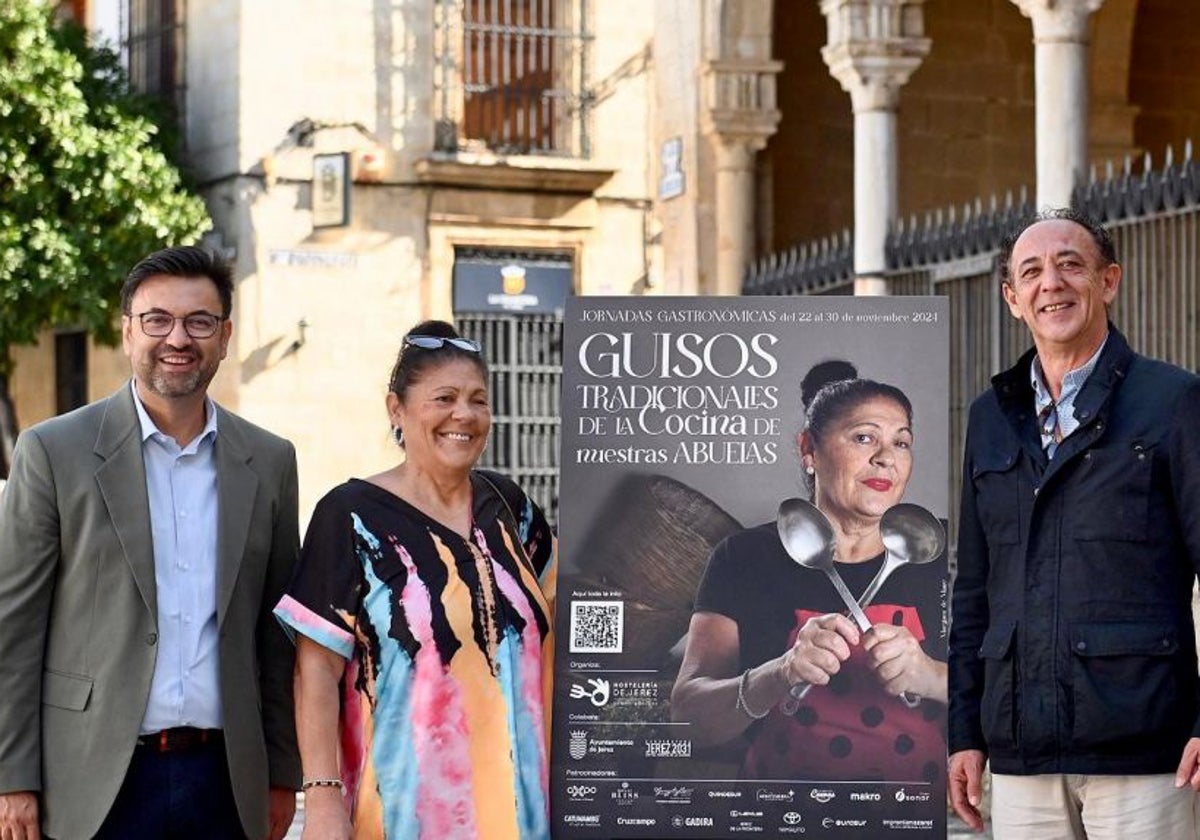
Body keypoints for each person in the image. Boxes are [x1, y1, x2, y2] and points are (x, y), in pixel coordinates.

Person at [0, 246, 301, 840]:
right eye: (157, 319)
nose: (177, 338)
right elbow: (13, 628)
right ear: (128, 329)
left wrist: (282, 772)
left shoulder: (269, 461)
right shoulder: (53, 452)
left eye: (199, 322)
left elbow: (277, 636)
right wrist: (11, 776)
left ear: (225, 335)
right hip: (90, 782)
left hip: (226, 780)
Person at [948, 208, 1200, 838]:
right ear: (1012, 299)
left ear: (1108, 281)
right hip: (1020, 752)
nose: (1050, 284)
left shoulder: (1172, 401)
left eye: (1070, 265)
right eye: (1030, 272)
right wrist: (963, 733)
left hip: (1144, 749)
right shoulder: (991, 417)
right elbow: (975, 590)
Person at [275, 320, 556, 840]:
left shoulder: (509, 507)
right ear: (396, 409)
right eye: (443, 398)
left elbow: (568, 618)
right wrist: (321, 802)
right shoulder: (351, 515)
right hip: (406, 814)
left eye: (478, 400)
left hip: (528, 815)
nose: (464, 415)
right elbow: (314, 673)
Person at [671, 361, 947, 782]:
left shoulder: (942, 555)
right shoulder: (745, 557)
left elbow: (1012, 696)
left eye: (902, 443)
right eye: (863, 437)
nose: (886, 458)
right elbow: (688, 718)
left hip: (915, 810)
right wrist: (780, 673)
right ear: (809, 450)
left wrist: (930, 676)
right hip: (779, 809)